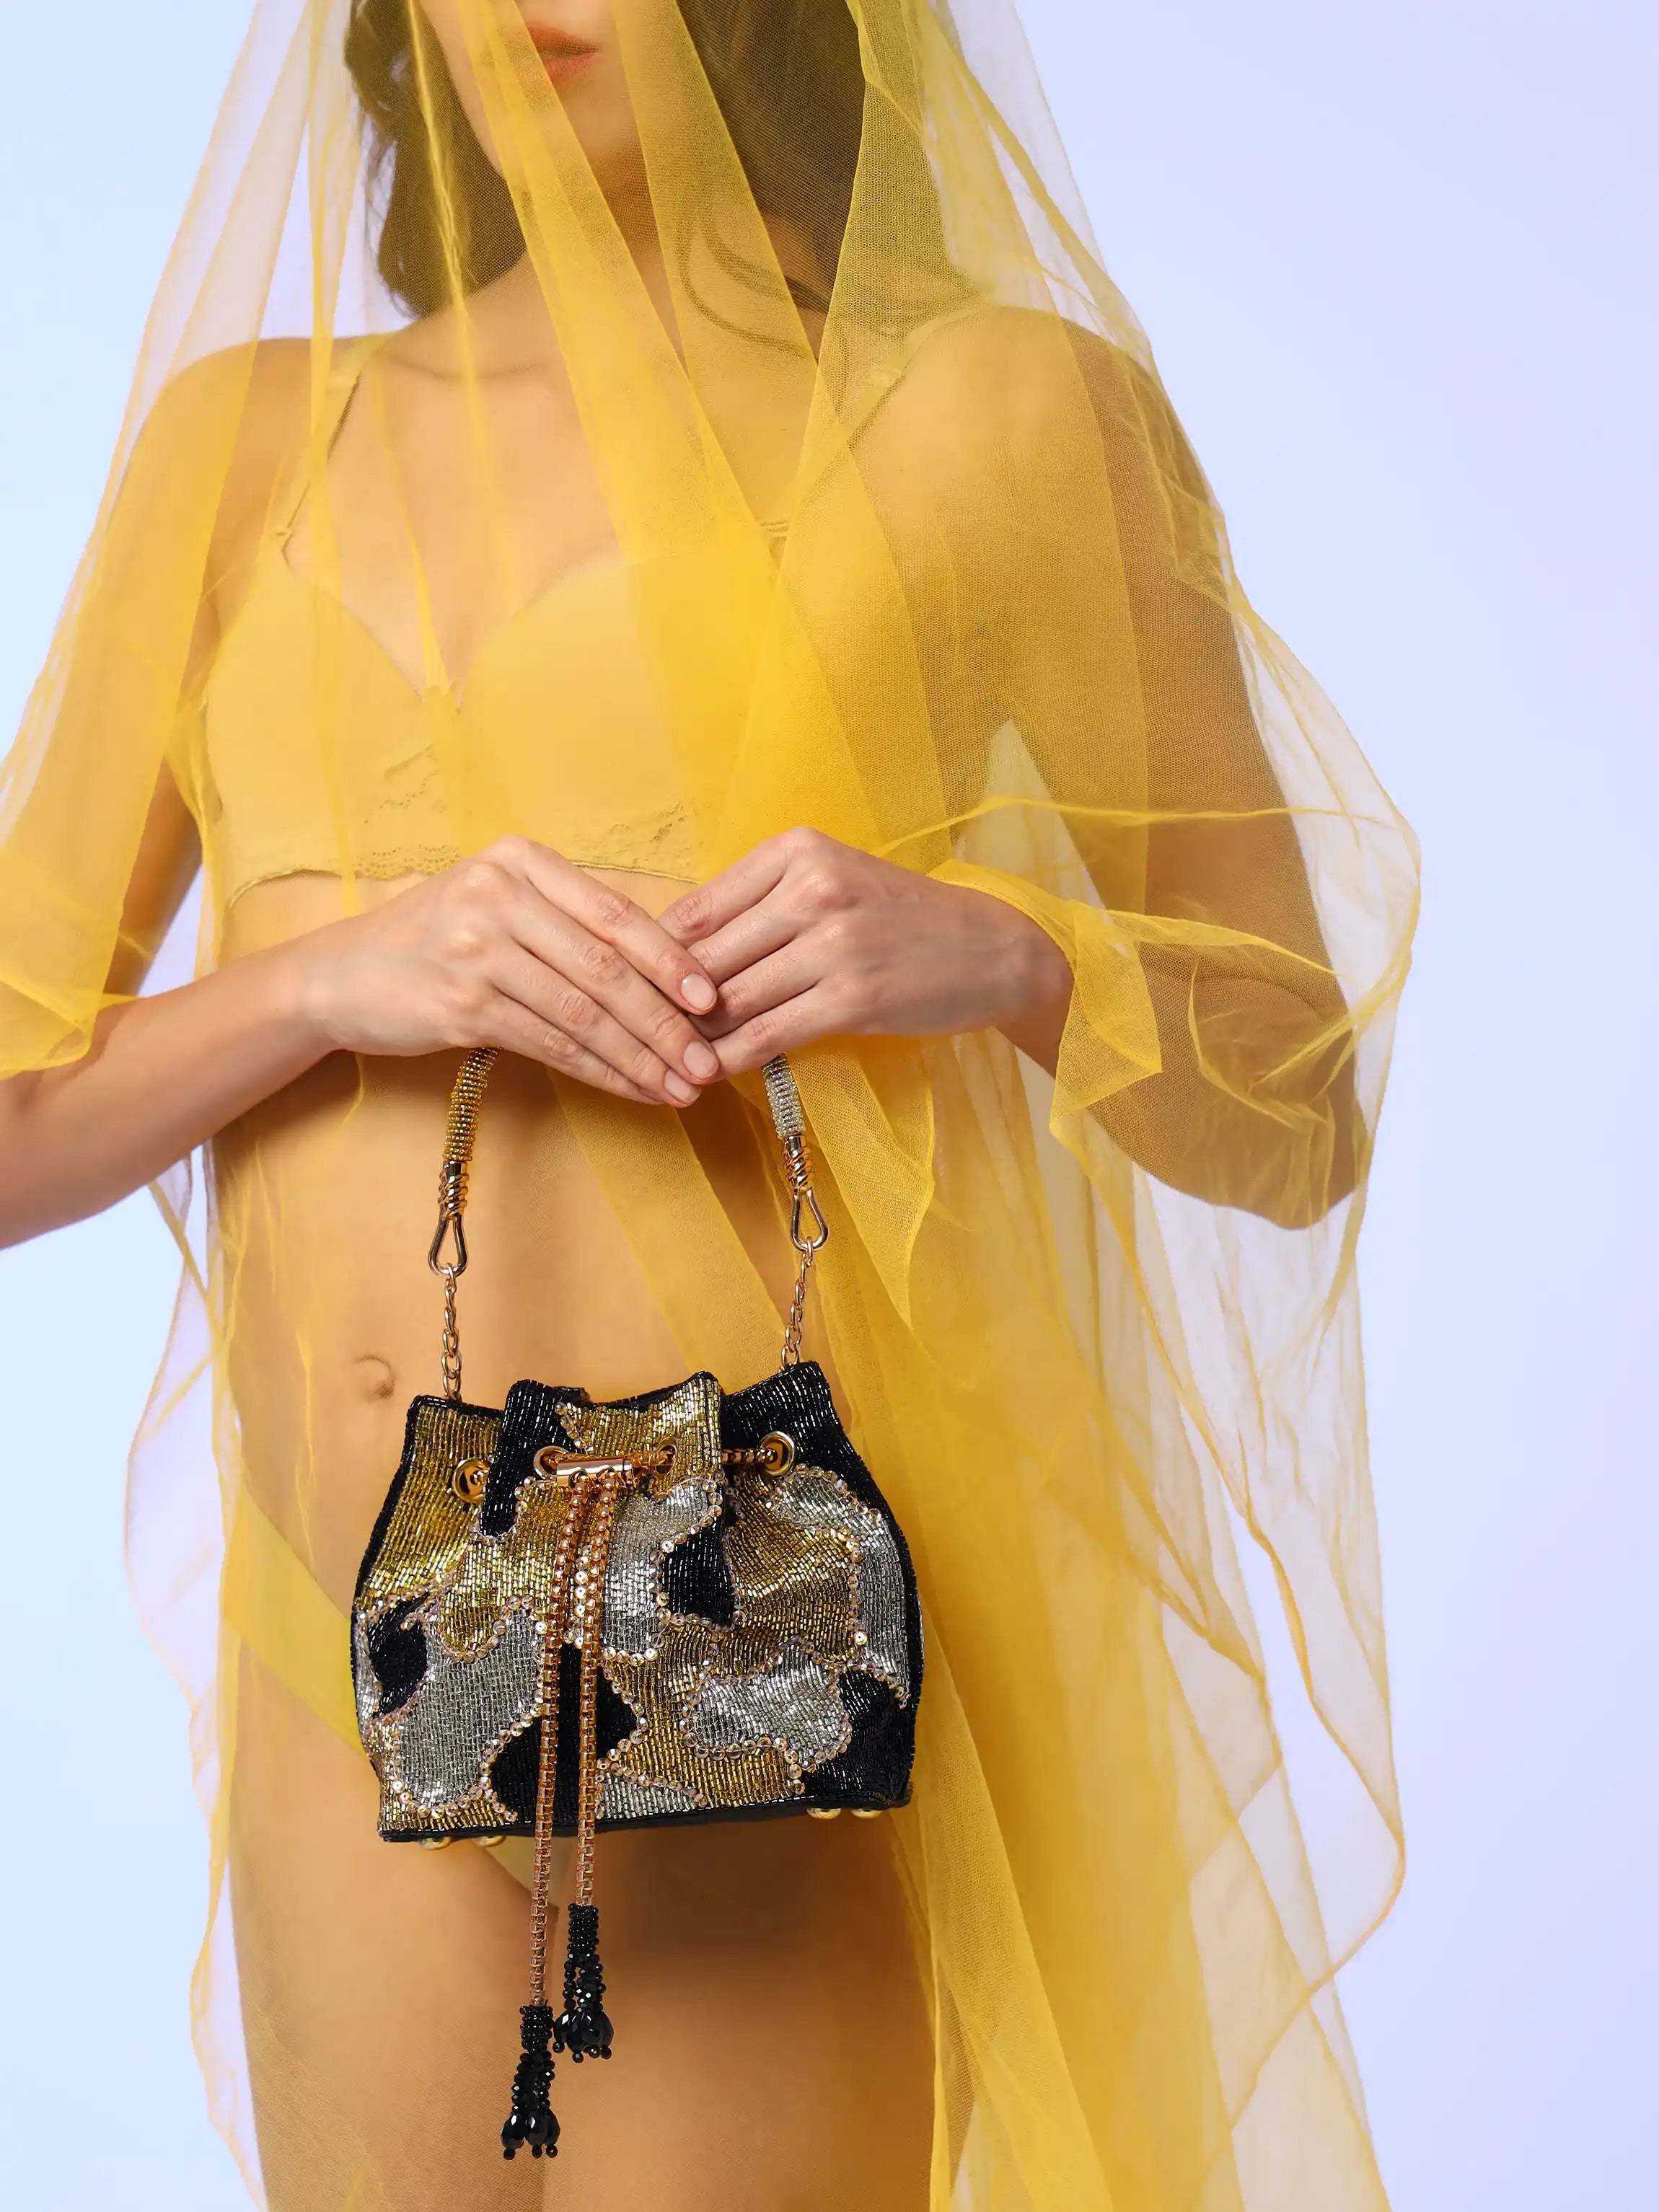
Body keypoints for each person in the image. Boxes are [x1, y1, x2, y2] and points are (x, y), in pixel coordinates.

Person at [0, 4, 1417, 2208]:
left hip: (743, 1632)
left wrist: (1010, 957)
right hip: (347, 1647)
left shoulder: (987, 415)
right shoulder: (248, 440)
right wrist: (325, 981)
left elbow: (1290, 1100)